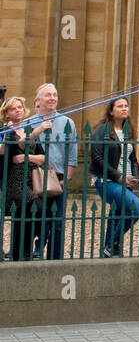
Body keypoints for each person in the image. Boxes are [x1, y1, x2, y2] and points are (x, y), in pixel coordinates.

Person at [25, 83, 78, 260]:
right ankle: (34, 249)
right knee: (36, 215)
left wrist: (68, 178)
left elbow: (72, 154)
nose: (52, 98)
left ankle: (55, 256)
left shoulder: (67, 123)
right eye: (48, 95)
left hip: (60, 177)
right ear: (38, 101)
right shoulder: (28, 123)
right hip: (34, 176)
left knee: (57, 221)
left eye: (54, 95)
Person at [89, 97, 139, 257]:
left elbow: (132, 158)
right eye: (120, 106)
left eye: (126, 106)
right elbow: (97, 159)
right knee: (136, 208)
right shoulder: (101, 130)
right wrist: (119, 177)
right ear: (111, 111)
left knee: (118, 215)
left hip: (126, 181)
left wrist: (135, 177)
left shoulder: (128, 131)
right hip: (107, 180)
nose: (124, 109)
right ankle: (113, 243)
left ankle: (108, 252)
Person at [1, 95, 45, 261]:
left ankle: (21, 252)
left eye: (20, 107)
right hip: (14, 181)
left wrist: (27, 158)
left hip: (30, 179)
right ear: (6, 113)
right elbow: (15, 148)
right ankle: (19, 251)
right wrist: (37, 131)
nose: (18, 110)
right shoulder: (6, 132)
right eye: (13, 108)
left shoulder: (27, 130)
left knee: (25, 216)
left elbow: (42, 157)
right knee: (37, 207)